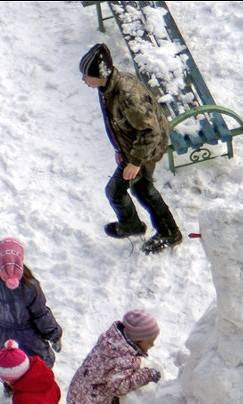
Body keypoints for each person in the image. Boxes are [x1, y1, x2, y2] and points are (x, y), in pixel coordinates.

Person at [80, 43, 183, 255]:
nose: (83, 80)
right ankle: (167, 231)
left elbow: (150, 132)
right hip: (134, 146)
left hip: (146, 148)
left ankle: (133, 225)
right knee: (142, 189)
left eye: (86, 75)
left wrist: (135, 162)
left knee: (116, 191)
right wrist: (120, 147)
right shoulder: (108, 87)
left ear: (100, 75)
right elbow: (121, 123)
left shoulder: (126, 95)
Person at [63, 309, 161, 404]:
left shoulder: (111, 341)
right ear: (137, 340)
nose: (152, 345)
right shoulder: (124, 359)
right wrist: (145, 375)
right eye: (149, 342)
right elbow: (118, 387)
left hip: (79, 392)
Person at [0, 237, 63, 369]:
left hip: (1, 335)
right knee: (35, 367)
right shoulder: (30, 286)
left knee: (8, 365)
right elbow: (41, 315)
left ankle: (10, 387)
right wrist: (54, 335)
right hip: (29, 339)